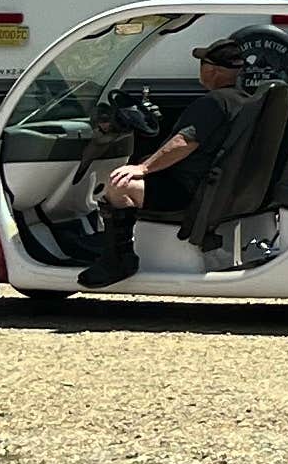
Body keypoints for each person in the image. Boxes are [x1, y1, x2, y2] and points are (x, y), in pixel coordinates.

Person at [82, 37, 248, 285]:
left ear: (210, 70)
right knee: (132, 172)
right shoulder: (242, 100)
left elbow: (184, 142)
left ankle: (118, 259)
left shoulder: (213, 103)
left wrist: (143, 168)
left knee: (118, 183)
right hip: (215, 188)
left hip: (186, 192)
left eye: (201, 63)